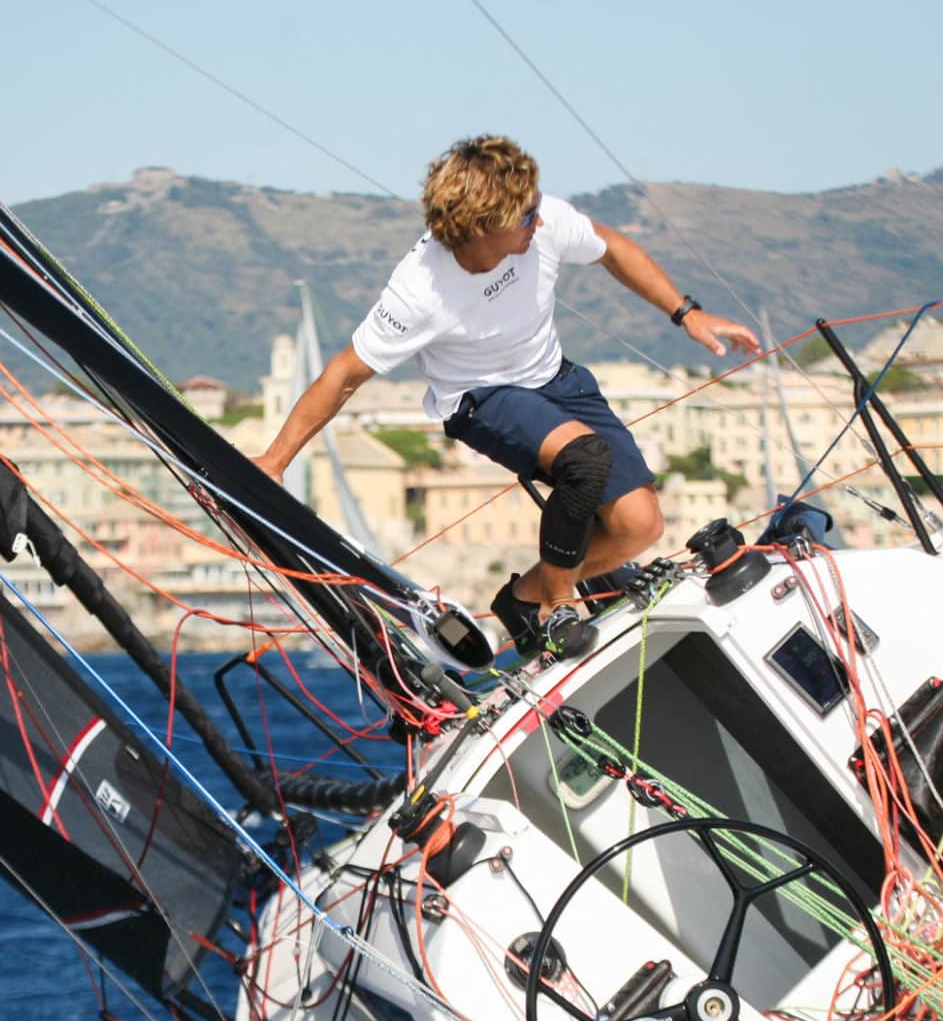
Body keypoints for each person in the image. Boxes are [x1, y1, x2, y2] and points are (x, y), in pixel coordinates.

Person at [253, 135, 758, 660]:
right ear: (481, 227)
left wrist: (687, 313)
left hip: (556, 379)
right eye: (525, 216)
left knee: (639, 526)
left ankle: (524, 600)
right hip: (481, 397)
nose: (538, 220)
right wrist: (275, 461)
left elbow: (611, 247)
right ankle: (557, 610)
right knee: (584, 459)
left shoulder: (543, 220)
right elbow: (344, 373)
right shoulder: (420, 290)